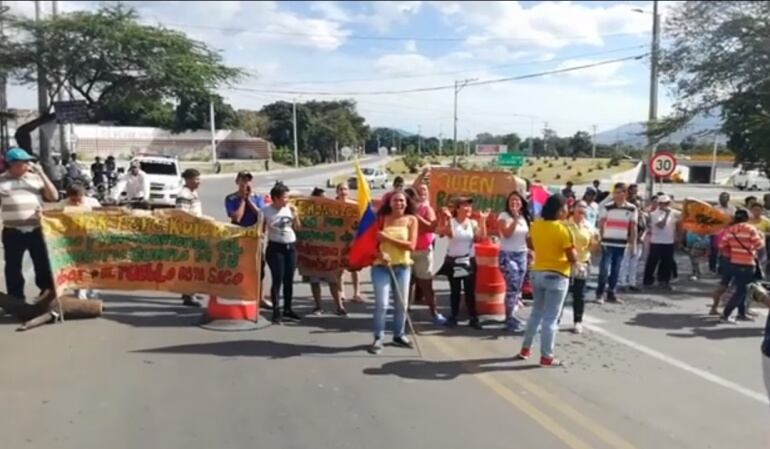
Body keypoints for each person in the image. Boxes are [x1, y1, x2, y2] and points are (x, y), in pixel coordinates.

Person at [515, 194, 576, 366]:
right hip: (557, 274)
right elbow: (572, 256)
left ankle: (525, 349)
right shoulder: (563, 229)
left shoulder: (536, 226)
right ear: (560, 211)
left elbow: (529, 243)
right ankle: (546, 356)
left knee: (536, 313)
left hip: (538, 272)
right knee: (550, 318)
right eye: (565, 208)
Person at [0, 148, 59, 300]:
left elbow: (54, 196)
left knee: (42, 263)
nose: (27, 165)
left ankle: (46, 294)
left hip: (36, 229)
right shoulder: (2, 181)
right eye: (23, 162)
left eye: (28, 162)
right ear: (12, 164)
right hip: (13, 231)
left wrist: (42, 174)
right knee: (13, 266)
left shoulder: (35, 179)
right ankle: (16, 298)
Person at [368, 190, 419, 354]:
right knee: (382, 304)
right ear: (389, 203)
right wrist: (379, 254)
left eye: (402, 201)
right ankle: (378, 337)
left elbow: (411, 246)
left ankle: (399, 335)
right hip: (381, 267)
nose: (399, 203)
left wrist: (387, 239)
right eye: (396, 200)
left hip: (402, 266)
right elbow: (369, 243)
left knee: (401, 304)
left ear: (407, 203)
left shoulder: (412, 220)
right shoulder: (380, 218)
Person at [436, 197, 488, 329]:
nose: (468, 208)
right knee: (455, 290)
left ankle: (473, 318)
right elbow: (450, 235)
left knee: (470, 290)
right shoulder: (452, 222)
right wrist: (448, 219)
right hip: (455, 260)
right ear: (457, 208)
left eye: (469, 206)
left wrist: (483, 221)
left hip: (469, 260)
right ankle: (454, 316)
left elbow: (481, 238)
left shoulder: (472, 223)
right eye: (465, 206)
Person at [263, 183, 301, 324]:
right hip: (275, 248)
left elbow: (297, 228)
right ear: (276, 198)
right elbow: (260, 230)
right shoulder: (265, 211)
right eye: (285, 197)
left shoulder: (289, 209)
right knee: (277, 279)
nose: (287, 200)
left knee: (288, 280)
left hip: (290, 247)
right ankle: (276, 311)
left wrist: (296, 215)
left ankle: (288, 309)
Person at [306, 187, 346, 316]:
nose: (325, 200)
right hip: (313, 252)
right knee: (315, 281)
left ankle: (339, 307)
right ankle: (318, 306)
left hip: (329, 252)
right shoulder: (307, 213)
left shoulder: (331, 212)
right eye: (322, 198)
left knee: (333, 280)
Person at [719, 209, 764, 323]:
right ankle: (726, 314)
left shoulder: (730, 229)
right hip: (747, 263)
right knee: (742, 290)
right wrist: (762, 237)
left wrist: (732, 254)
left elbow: (722, 245)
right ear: (747, 218)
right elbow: (759, 245)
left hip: (734, 263)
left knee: (742, 288)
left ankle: (741, 313)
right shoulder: (751, 229)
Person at [596, 183, 637, 304]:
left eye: (621, 192)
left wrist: (633, 244)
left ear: (626, 193)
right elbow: (601, 224)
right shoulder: (607, 207)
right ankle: (600, 293)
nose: (618, 195)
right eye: (616, 192)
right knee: (604, 269)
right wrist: (599, 240)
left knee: (616, 269)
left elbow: (633, 227)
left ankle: (612, 293)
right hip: (607, 242)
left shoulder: (632, 208)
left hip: (621, 243)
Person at [409, 181, 444, 324]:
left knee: (426, 284)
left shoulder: (427, 209)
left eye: (424, 190)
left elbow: (430, 227)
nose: (421, 192)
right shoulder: (406, 208)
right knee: (407, 284)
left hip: (423, 252)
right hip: (408, 251)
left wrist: (415, 217)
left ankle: (434, 313)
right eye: (419, 190)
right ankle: (404, 313)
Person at [497, 191, 531, 332]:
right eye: (512, 200)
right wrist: (515, 219)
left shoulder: (524, 217)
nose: (514, 203)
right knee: (512, 286)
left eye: (517, 200)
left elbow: (527, 237)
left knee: (517, 288)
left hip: (522, 254)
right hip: (507, 255)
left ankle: (511, 315)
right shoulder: (503, 216)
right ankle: (509, 318)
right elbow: (506, 234)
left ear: (522, 203)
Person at [61, 183, 101, 300]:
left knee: (92, 265)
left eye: (79, 200)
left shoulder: (92, 202)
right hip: (72, 240)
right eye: (73, 200)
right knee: (77, 265)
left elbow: (103, 217)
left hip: (91, 238)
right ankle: (80, 291)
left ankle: (93, 290)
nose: (77, 203)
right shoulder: (63, 204)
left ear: (83, 195)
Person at [564, 200, 599, 334]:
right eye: (579, 206)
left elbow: (593, 248)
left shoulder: (589, 227)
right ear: (573, 208)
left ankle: (577, 321)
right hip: (565, 263)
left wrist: (596, 243)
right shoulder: (565, 224)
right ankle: (555, 320)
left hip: (582, 264)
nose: (582, 209)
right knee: (562, 293)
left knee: (580, 294)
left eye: (584, 207)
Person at [175, 168, 203, 307]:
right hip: (188, 235)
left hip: (195, 233)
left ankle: (189, 291)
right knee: (189, 266)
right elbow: (182, 216)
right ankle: (188, 295)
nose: (199, 182)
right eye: (196, 179)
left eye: (199, 179)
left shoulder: (193, 193)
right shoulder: (183, 195)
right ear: (188, 180)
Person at [643, 194, 681, 290]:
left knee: (667, 262)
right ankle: (648, 280)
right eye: (664, 203)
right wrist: (667, 215)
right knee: (652, 261)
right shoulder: (654, 214)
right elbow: (661, 225)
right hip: (656, 241)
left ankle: (664, 280)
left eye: (667, 203)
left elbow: (682, 217)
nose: (666, 205)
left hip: (669, 241)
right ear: (660, 204)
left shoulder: (674, 213)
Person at [335, 182, 364, 303]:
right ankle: (341, 291)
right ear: (337, 191)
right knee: (339, 268)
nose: (343, 192)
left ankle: (356, 293)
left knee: (354, 268)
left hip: (353, 240)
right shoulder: (332, 206)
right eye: (341, 189)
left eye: (345, 189)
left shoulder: (355, 205)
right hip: (338, 240)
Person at [710, 192, 736, 273]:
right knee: (715, 250)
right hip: (717, 232)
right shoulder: (715, 208)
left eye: (725, 197)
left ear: (728, 199)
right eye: (721, 197)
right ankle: (712, 267)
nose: (723, 199)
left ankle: (722, 268)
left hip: (728, 233)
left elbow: (734, 220)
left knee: (726, 251)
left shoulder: (732, 209)